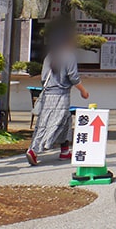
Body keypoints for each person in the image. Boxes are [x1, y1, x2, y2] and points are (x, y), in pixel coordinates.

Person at [26, 24, 89, 165]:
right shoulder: (69, 55)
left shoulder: (50, 56)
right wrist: (83, 91)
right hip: (60, 95)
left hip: (48, 93)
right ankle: (34, 150)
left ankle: (65, 151)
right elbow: (73, 76)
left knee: (64, 122)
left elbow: (43, 77)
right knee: (53, 123)